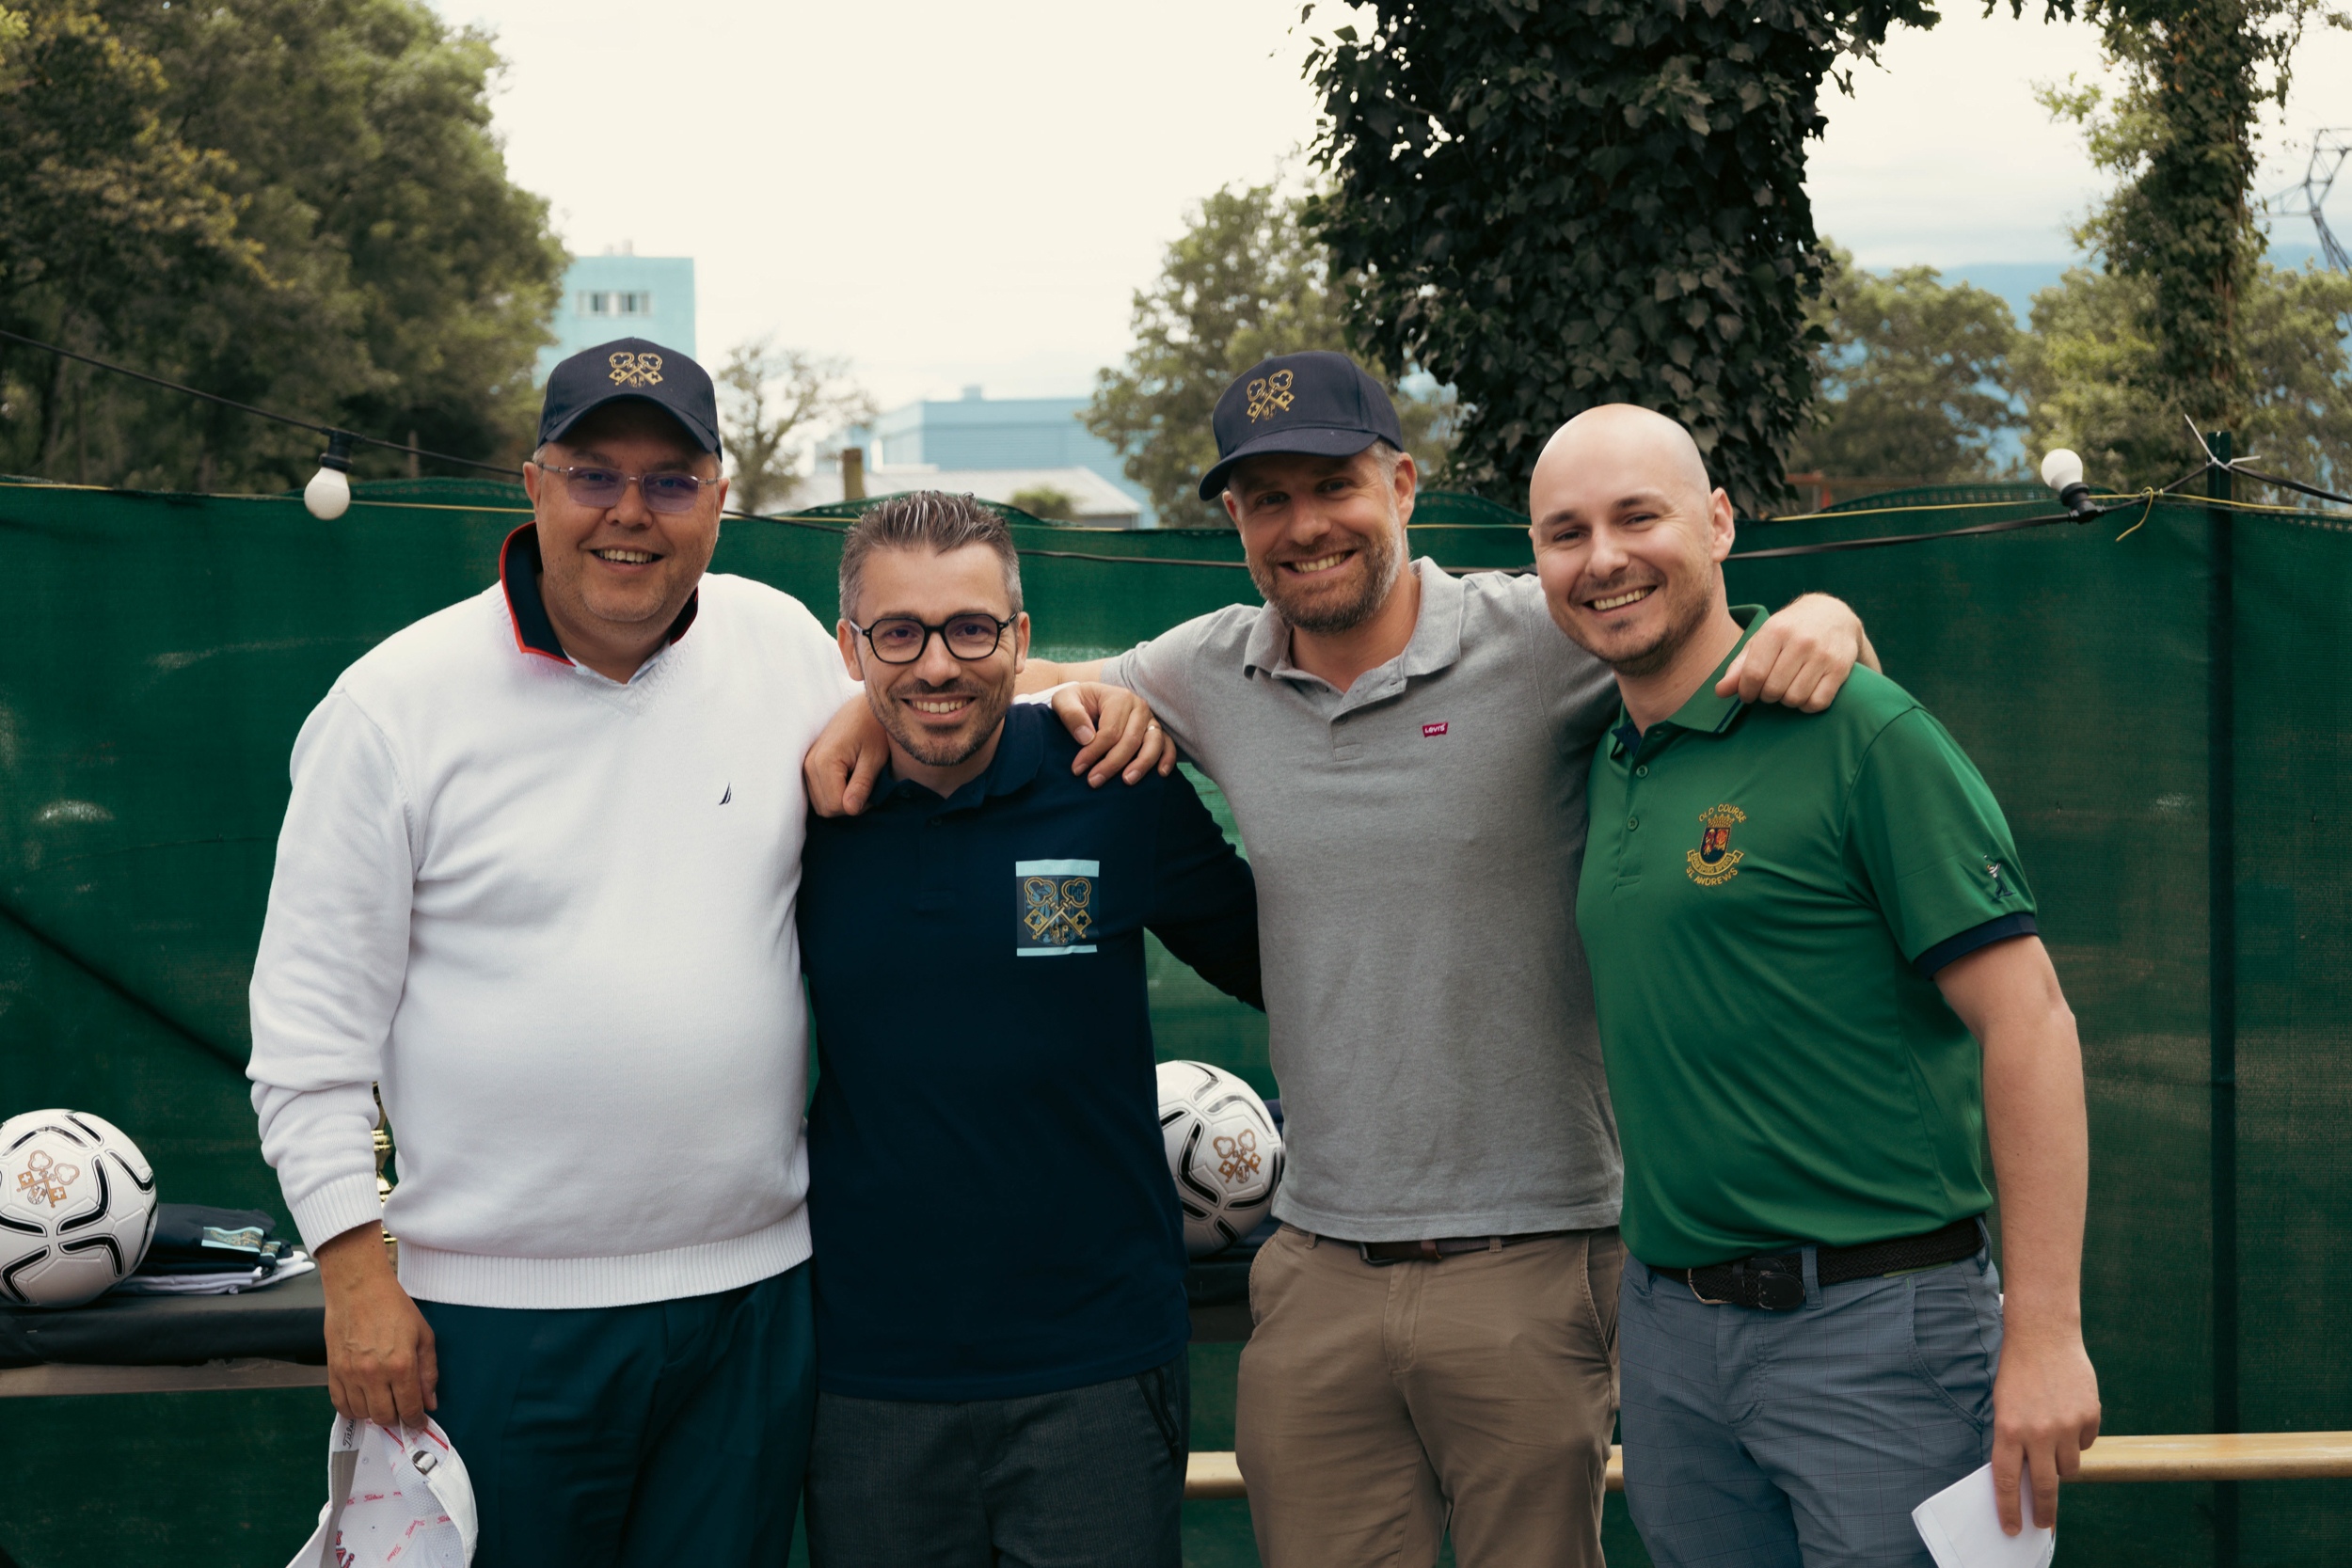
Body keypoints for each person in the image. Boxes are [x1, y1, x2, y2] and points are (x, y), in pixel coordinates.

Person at [808, 350, 1880, 1568]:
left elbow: (1708, 640)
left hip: (1531, 1252)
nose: (1306, 523)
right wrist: (860, 706)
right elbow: (1000, 680)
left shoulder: (1545, 633)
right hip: (1315, 1260)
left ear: (1403, 483)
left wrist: (1824, 615)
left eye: (1334, 484)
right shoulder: (1206, 667)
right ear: (1236, 518)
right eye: (1270, 498)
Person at [244, 341, 1174, 1566]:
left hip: (756, 1303)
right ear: (534, 484)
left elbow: (940, 680)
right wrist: (354, 1276)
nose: (630, 511)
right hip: (496, 1314)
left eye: (671, 479)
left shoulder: (780, 645)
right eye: (594, 473)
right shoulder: (389, 706)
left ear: (720, 499)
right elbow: (307, 1038)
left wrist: (1095, 693)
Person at [1530, 404, 2101, 1566]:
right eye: (1565, 531)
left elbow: (2030, 1021)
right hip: (1671, 1338)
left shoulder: (1862, 728)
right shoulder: (1598, 749)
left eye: (1638, 516)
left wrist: (2045, 1333)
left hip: (1880, 1328)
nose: (1604, 557)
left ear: (1719, 522)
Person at [794, 491, 1263, 1567]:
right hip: (868, 1377)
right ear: (849, 649)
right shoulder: (801, 807)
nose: (937, 665)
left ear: (1021, 636)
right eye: (899, 633)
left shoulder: (1114, 776)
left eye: (970, 628)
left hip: (1098, 1367)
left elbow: (1284, 968)